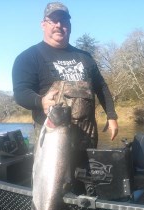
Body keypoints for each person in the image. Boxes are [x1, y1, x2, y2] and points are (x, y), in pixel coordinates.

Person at [12, 2, 118, 194]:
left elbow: (101, 87)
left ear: (70, 25)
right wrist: (40, 101)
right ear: (43, 24)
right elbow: (20, 93)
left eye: (64, 21)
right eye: (54, 20)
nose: (59, 25)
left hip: (86, 141)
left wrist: (111, 115)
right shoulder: (28, 57)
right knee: (53, 190)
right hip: (52, 141)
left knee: (85, 189)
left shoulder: (84, 57)